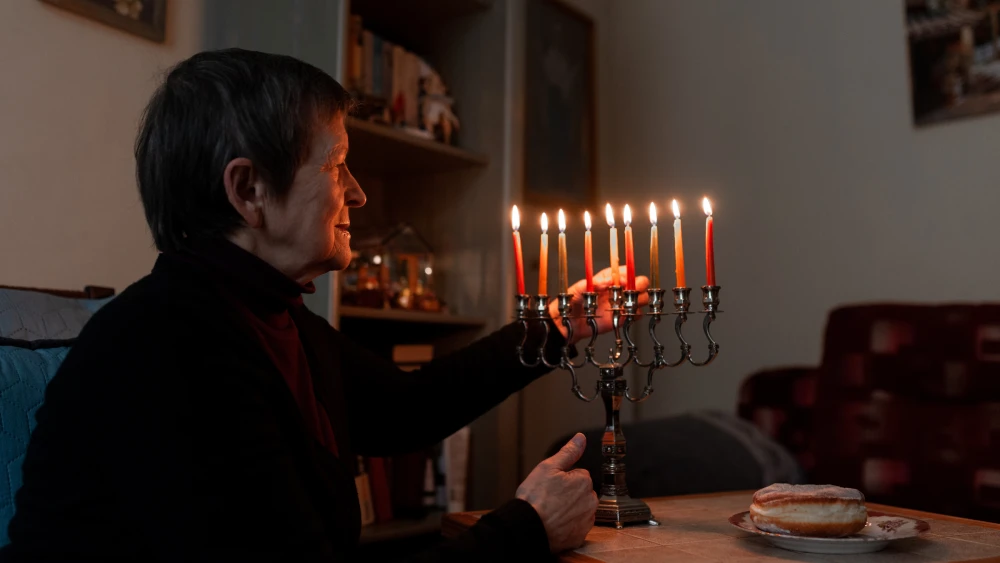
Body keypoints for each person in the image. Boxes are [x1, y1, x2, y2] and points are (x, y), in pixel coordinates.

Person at [0, 49, 648, 562]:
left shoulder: (271, 318)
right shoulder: (164, 347)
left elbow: (410, 407)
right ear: (249, 189)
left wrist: (557, 325)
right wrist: (526, 527)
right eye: (337, 166)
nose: (358, 194)